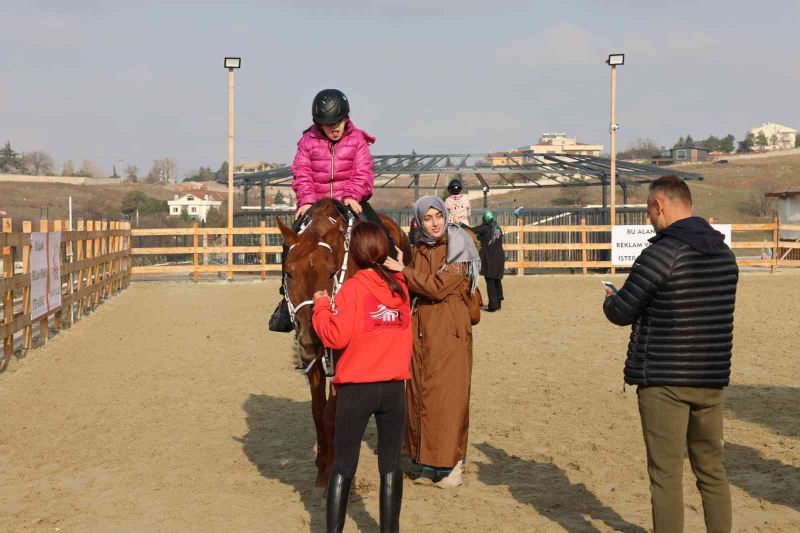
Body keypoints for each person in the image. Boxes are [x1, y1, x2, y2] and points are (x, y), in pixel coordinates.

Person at [602, 175, 739, 533]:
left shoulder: (660, 254)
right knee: (712, 471)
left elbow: (622, 313)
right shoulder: (725, 254)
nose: (649, 218)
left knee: (665, 476)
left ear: (659, 205)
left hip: (664, 381)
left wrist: (610, 299)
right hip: (712, 379)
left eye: (649, 210)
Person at [312, 222, 412, 533]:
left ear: (354, 253)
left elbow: (335, 336)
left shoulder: (352, 289)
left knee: (343, 465)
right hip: (394, 389)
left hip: (358, 388)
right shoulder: (400, 289)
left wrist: (320, 306)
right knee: (391, 466)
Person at [270, 88, 392, 332]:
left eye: (337, 122)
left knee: (378, 231)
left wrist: (353, 195)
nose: (334, 128)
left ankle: (393, 283)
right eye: (328, 124)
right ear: (319, 123)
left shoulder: (357, 139)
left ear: (345, 118)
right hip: (316, 205)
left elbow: (363, 171)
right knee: (290, 242)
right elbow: (302, 172)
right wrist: (306, 200)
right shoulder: (307, 141)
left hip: (350, 200)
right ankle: (286, 299)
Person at [384, 195, 480, 488]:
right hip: (421, 331)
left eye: (438, 215)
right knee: (420, 396)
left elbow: (439, 287)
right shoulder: (417, 249)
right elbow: (412, 288)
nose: (435, 223)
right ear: (419, 221)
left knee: (448, 399)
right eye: (428, 218)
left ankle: (452, 466)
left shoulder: (459, 246)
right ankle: (427, 464)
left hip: (450, 331)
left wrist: (404, 271)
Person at [471, 210, 505, 312]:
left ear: (484, 219)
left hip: (490, 257)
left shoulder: (485, 228)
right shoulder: (497, 228)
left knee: (490, 280)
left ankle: (493, 305)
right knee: (497, 279)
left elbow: (472, 230)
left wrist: (459, 223)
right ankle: (498, 302)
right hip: (500, 256)